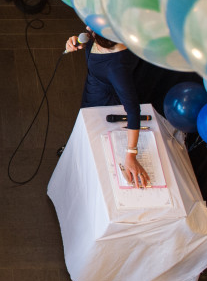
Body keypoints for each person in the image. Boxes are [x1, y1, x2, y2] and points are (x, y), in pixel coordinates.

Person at [63, 28, 149, 188]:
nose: (87, 28)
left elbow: (133, 111)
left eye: (93, 30)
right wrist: (81, 40)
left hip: (102, 100)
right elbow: (89, 35)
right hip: (93, 87)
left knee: (92, 134)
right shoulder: (109, 33)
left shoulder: (117, 69)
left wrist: (131, 154)